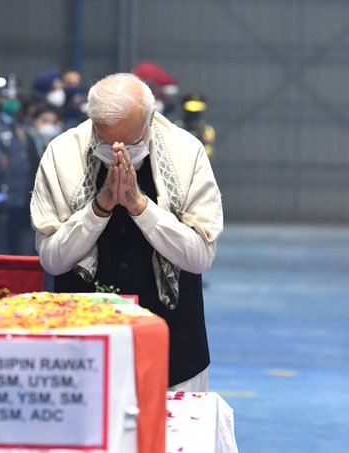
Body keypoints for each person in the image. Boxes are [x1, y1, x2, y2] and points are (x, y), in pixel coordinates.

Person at [30, 73, 223, 391]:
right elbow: (52, 260)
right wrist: (98, 209)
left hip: (174, 348)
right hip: (82, 346)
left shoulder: (186, 153)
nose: (118, 150)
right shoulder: (62, 154)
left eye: (130, 142)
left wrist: (141, 208)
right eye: (107, 142)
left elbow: (200, 257)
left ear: (150, 118)